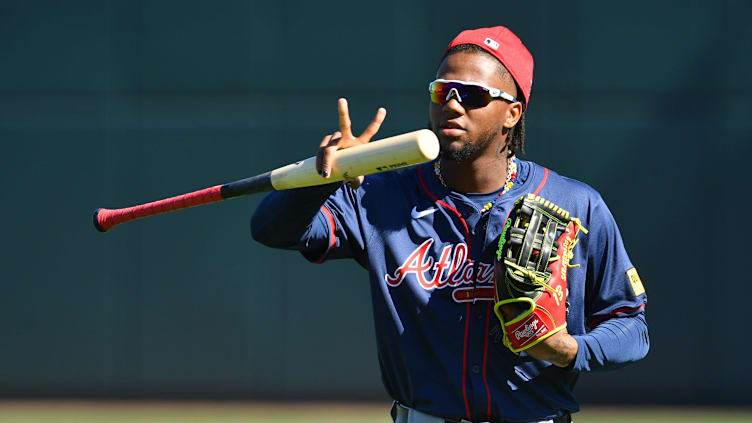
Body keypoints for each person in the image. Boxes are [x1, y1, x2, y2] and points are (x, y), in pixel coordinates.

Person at [251, 26, 649, 423]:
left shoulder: (576, 204)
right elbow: (272, 230)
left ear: (513, 112)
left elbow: (631, 327)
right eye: (443, 91)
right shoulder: (378, 195)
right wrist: (320, 180)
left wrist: (568, 350)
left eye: (473, 95)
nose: (453, 105)